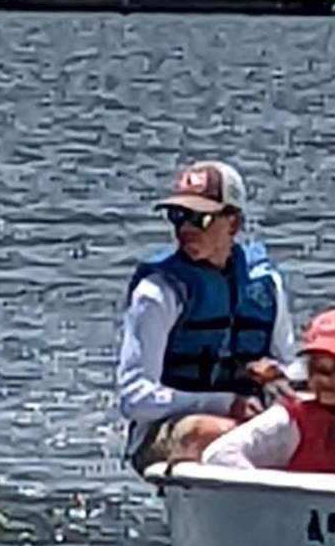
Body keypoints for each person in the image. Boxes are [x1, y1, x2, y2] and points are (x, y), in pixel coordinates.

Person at [119, 159, 295, 470]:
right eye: (178, 216)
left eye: (199, 218)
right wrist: (225, 403)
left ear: (234, 223)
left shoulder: (267, 286)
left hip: (248, 420)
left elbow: (288, 371)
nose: (184, 228)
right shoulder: (158, 292)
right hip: (167, 431)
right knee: (218, 435)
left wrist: (275, 375)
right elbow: (135, 398)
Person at [182, 308, 335, 482]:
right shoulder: (288, 421)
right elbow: (220, 454)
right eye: (317, 368)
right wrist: (276, 496)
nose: (325, 379)